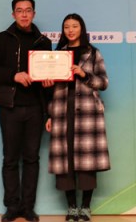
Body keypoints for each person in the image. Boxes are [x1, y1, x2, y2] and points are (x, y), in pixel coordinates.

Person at [0, 0, 53, 222]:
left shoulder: (43, 42)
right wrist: (14, 75)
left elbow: (48, 75)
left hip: (35, 109)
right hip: (10, 107)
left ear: (34, 13)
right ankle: (12, 207)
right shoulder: (3, 38)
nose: (24, 14)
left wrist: (49, 82)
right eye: (20, 10)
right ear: (13, 14)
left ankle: (28, 207)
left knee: (32, 159)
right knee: (10, 159)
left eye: (28, 10)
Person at [45, 13, 110, 222]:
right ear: (62, 30)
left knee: (87, 161)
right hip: (62, 111)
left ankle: (86, 207)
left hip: (88, 113)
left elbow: (104, 82)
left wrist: (84, 74)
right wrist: (49, 113)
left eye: (74, 26)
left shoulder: (93, 53)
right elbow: (51, 90)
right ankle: (72, 207)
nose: (70, 30)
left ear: (81, 28)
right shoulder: (57, 54)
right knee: (65, 162)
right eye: (66, 26)